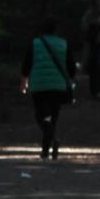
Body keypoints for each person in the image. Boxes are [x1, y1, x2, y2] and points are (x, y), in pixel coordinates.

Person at [20, 17, 76, 161]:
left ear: (41, 30)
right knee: (54, 115)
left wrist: (24, 81)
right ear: (56, 30)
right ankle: (48, 146)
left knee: (41, 115)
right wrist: (70, 79)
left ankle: (48, 144)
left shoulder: (35, 43)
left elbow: (27, 63)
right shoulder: (63, 44)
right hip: (58, 85)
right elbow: (71, 67)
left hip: (39, 85)